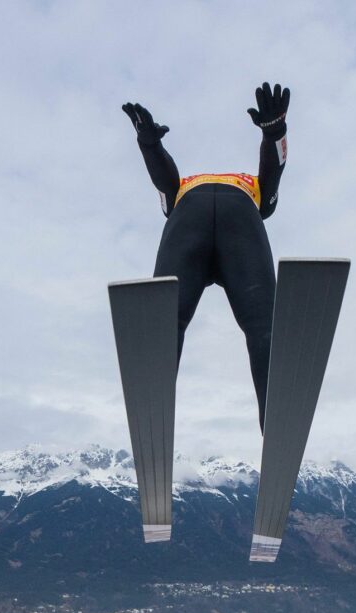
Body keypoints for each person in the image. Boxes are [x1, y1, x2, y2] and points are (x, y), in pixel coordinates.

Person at [122, 82, 290, 427]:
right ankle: (276, 424)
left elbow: (165, 182)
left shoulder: (182, 187)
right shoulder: (254, 190)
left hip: (188, 213)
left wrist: (150, 146)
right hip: (242, 212)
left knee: (165, 322)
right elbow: (272, 176)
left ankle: (153, 421)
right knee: (264, 328)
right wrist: (275, 133)